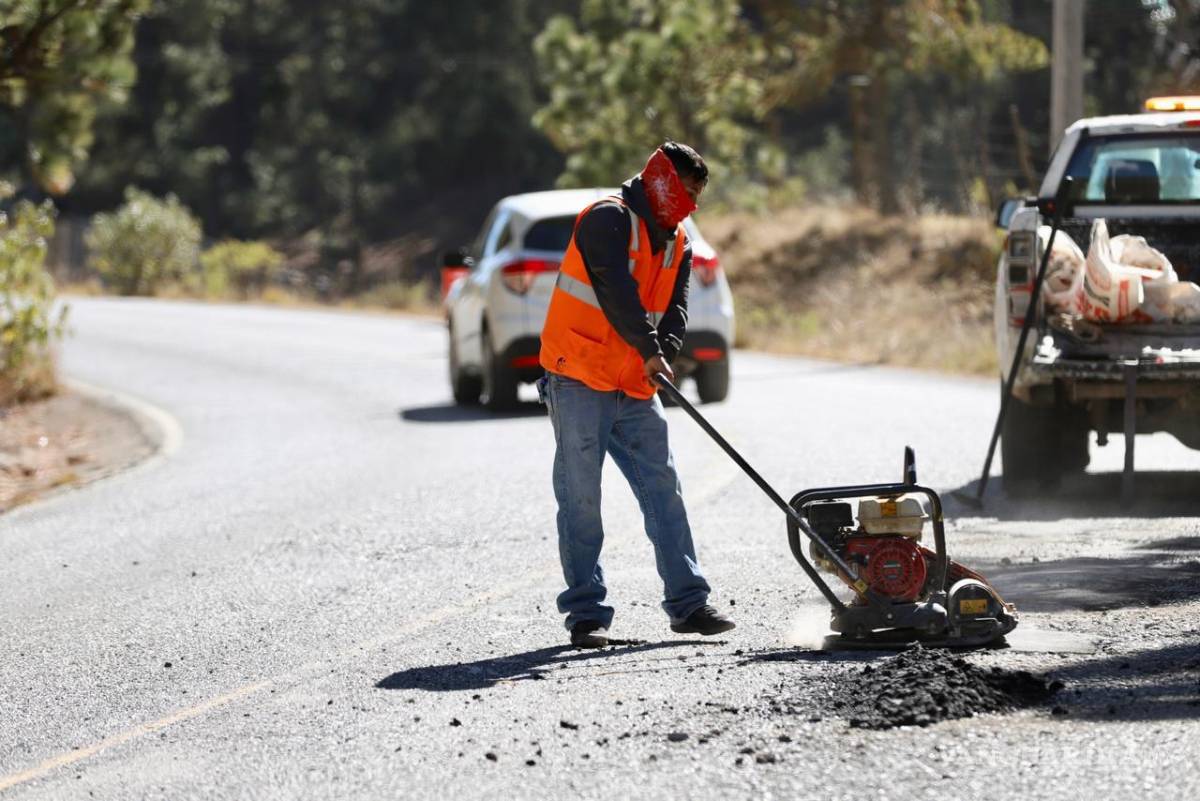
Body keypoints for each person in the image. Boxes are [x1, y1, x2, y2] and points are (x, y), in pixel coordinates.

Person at [536, 141, 735, 648]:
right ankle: (586, 615)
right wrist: (649, 349)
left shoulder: (679, 243)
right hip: (578, 376)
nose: (691, 204)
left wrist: (662, 351)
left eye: (697, 196)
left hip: (633, 381)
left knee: (662, 488)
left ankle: (689, 605)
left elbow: (676, 310)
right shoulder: (606, 219)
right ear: (661, 179)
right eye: (686, 190)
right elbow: (614, 291)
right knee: (581, 497)